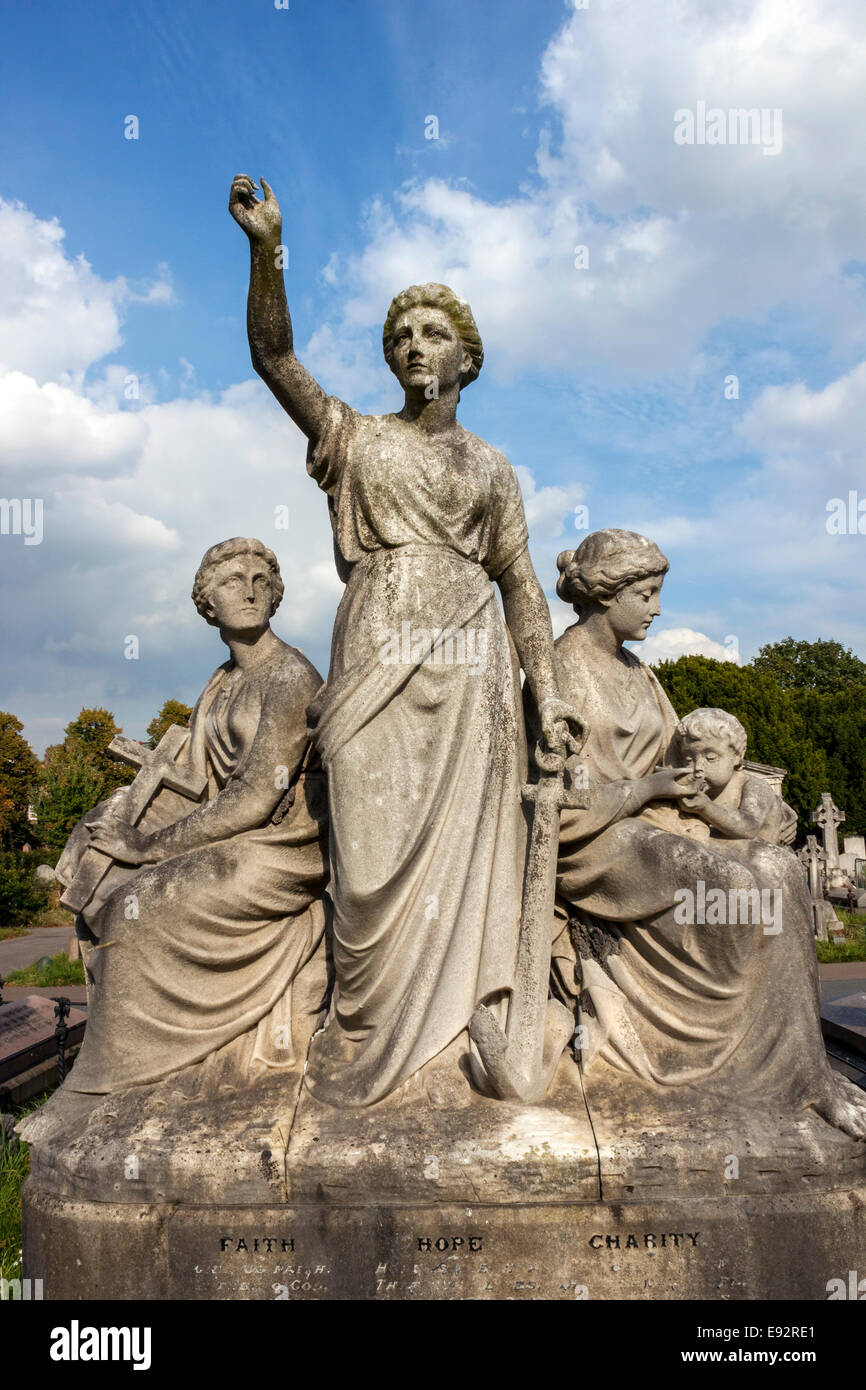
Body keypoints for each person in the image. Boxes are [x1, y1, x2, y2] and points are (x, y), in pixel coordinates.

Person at [230, 174, 582, 1107]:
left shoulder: (491, 467)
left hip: (472, 673)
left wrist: (548, 694)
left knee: (473, 860)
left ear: (467, 357)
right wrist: (268, 251)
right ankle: (370, 1034)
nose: (412, 345)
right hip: (376, 652)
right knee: (368, 859)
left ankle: (468, 1033)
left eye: (432, 332)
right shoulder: (356, 437)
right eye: (400, 334)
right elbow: (275, 356)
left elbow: (521, 588)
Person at [540, 528, 866, 1139]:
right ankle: (762, 1067)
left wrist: (745, 795)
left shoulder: (639, 674)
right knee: (741, 885)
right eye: (648, 593)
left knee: (779, 867)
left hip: (654, 827)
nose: (657, 608)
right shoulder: (561, 671)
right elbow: (557, 801)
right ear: (609, 595)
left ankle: (800, 1067)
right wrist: (648, 791)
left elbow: (687, 766)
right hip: (595, 842)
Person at [49, 537, 329, 1094]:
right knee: (107, 885)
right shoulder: (221, 683)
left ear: (275, 596)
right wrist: (110, 818)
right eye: (232, 582)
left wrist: (148, 847)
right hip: (232, 835)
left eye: (261, 582)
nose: (249, 592)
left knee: (137, 906)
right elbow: (192, 784)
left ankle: (125, 1079)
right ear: (207, 604)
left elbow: (254, 798)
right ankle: (132, 1068)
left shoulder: (289, 676)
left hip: (283, 846)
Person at [642, 706, 797, 845]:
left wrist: (706, 808)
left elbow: (749, 827)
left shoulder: (754, 786)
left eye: (711, 758)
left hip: (764, 866)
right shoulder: (689, 791)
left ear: (737, 756)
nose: (698, 768)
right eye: (689, 759)